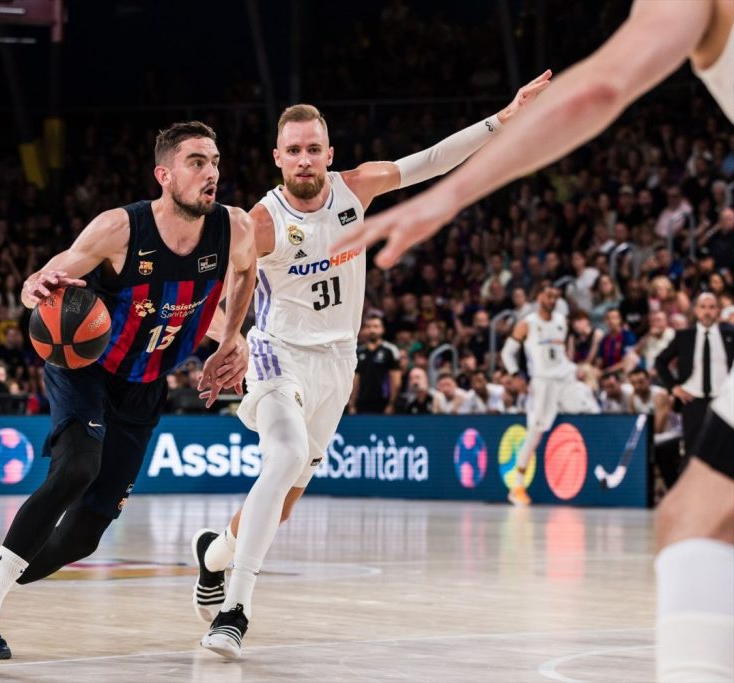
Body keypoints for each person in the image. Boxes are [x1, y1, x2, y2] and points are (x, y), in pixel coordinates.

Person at [333, 1, 734, 678]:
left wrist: (451, 195)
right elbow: (517, 345)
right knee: (697, 515)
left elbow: (602, 86)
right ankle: (523, 479)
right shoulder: (530, 320)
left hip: (560, 375)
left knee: (696, 524)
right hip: (541, 379)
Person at [189, 71, 552, 659]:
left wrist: (501, 120)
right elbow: (209, 298)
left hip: (338, 361)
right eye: (293, 151)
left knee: (282, 502)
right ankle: (236, 609)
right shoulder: (262, 222)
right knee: (283, 457)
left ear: (328, 154)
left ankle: (213, 554)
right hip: (278, 353)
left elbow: (431, 161)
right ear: (277, 158)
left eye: (313, 149)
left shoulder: (356, 189)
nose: (304, 160)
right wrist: (229, 343)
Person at [0, 121, 257, 659]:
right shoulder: (120, 228)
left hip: (145, 385)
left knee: (82, 537)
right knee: (76, 468)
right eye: (197, 162)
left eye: (215, 162)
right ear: (164, 175)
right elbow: (47, 278)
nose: (211, 173)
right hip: (86, 369)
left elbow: (246, 273)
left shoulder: (235, 227)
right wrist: (32, 287)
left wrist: (233, 339)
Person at [499, 282, 600, 505]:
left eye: (555, 296)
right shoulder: (528, 324)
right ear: (538, 298)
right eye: (548, 296)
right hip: (542, 381)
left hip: (565, 377)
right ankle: (517, 486)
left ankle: (595, 474)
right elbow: (507, 353)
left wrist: (573, 367)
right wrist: (516, 375)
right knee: (535, 432)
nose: (552, 300)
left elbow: (560, 352)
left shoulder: (562, 321)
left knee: (591, 408)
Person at [655, 292, 734, 457]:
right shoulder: (684, 336)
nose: (707, 311)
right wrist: (673, 387)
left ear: (718, 310)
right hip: (693, 400)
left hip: (723, 400)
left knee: (726, 451)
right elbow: (660, 361)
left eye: (712, 307)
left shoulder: (729, 334)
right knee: (693, 451)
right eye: (703, 307)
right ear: (696, 310)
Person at [348, 313, 401, 415]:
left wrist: (391, 404)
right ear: (364, 330)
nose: (372, 330)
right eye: (368, 327)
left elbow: (395, 380)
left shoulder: (390, 350)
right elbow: (355, 379)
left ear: (382, 329)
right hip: (362, 403)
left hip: (383, 403)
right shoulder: (358, 352)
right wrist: (352, 403)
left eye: (376, 326)